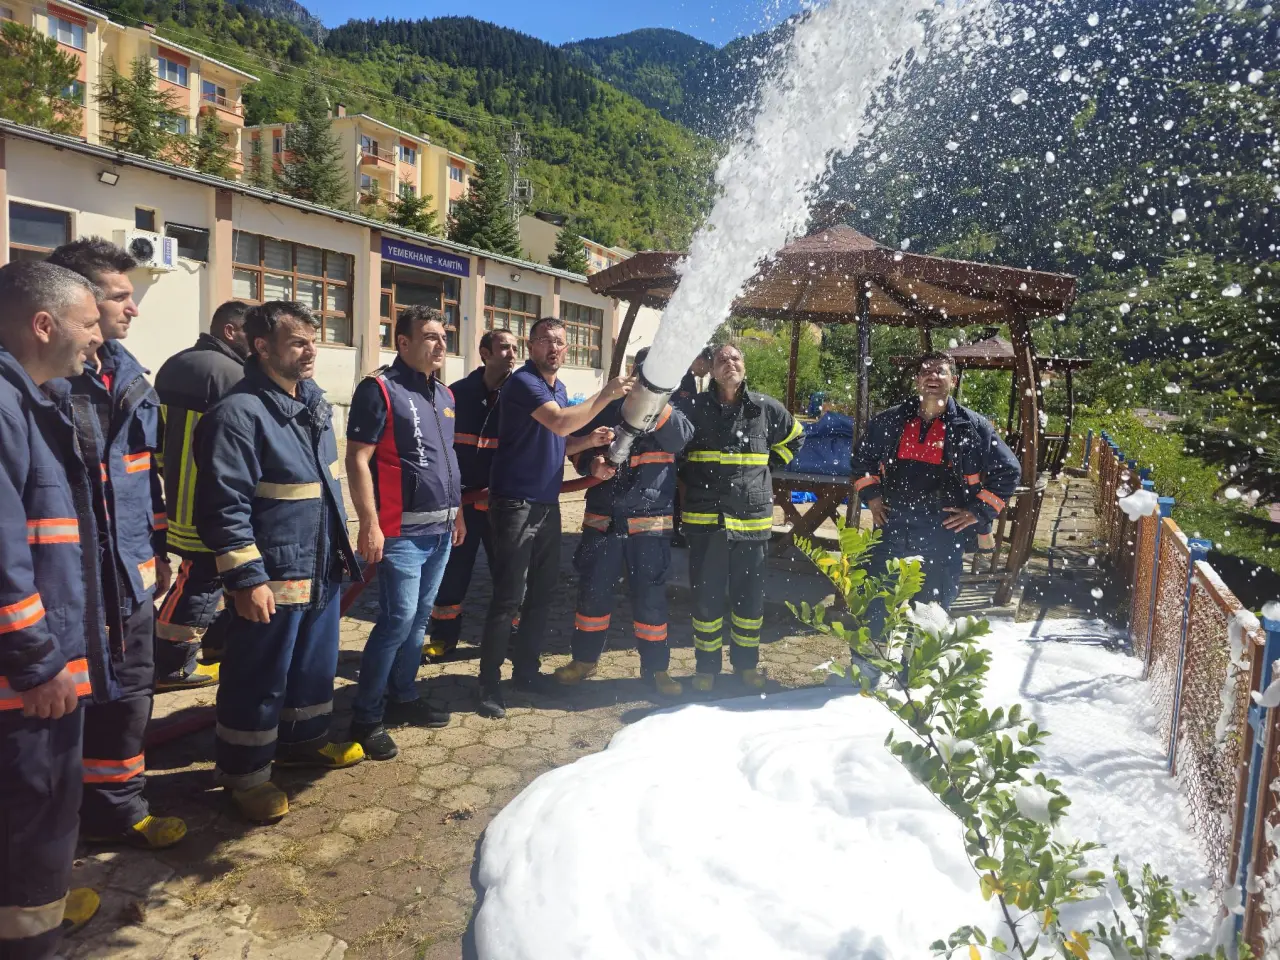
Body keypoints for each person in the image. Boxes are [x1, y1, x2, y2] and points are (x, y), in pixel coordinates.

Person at [195, 301, 364, 823]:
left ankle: (303, 741)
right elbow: (225, 506)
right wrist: (246, 579)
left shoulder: (311, 404)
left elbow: (323, 489)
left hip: (319, 569)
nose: (310, 349)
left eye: (314, 339)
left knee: (314, 669)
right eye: (297, 341)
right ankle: (245, 777)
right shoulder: (239, 414)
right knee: (258, 676)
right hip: (272, 576)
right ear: (261, 346)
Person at [47, 238, 185, 851]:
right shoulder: (39, 382)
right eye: (121, 296)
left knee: (128, 703)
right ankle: (51, 842)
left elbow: (141, 480)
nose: (134, 309)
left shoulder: (127, 373)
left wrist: (158, 553)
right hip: (65, 589)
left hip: (128, 579)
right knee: (55, 720)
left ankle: (118, 814)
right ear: (80, 299)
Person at [0, 261, 109, 959]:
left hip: (36, 665)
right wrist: (40, 665)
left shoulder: (32, 401)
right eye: (89, 323)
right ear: (45, 324)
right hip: (25, 679)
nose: (97, 339)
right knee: (34, 814)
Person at [476, 317, 632, 719]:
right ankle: (488, 685)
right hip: (515, 505)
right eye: (545, 341)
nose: (553, 348)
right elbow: (560, 421)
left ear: (567, 350)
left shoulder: (556, 388)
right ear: (531, 346)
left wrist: (589, 440)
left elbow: (558, 439)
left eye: (560, 343)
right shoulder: (524, 383)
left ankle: (526, 673)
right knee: (510, 596)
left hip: (545, 505)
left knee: (542, 594)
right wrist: (606, 395)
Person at [345, 306, 462, 761]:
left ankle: (404, 694)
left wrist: (459, 514)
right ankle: (366, 715)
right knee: (396, 622)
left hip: (442, 528)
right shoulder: (380, 390)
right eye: (430, 336)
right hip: (400, 534)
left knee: (418, 621)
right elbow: (359, 459)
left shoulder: (445, 395)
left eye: (443, 336)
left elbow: (447, 459)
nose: (440, 344)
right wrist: (369, 524)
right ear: (404, 343)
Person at [555, 348, 694, 696]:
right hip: (603, 520)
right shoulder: (607, 406)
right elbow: (576, 447)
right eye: (643, 373)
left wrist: (655, 404)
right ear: (634, 372)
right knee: (592, 595)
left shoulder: (674, 409)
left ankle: (656, 669)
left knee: (651, 600)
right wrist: (591, 465)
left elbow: (680, 439)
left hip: (649, 525)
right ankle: (584, 660)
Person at [851, 352, 1021, 615]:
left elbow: (1009, 471)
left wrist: (977, 512)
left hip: (942, 531)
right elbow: (862, 460)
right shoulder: (890, 421)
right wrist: (872, 497)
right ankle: (872, 656)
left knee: (930, 612)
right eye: (926, 371)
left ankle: (917, 656)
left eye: (940, 371)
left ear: (952, 380)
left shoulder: (973, 427)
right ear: (918, 380)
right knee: (877, 602)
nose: (933, 376)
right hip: (892, 524)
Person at [679, 343, 804, 691]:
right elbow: (674, 449)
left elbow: (797, 437)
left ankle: (746, 666)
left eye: (735, 358)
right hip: (706, 521)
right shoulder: (693, 409)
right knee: (706, 597)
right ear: (712, 369)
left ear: (744, 366)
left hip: (751, 522)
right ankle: (706, 668)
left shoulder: (764, 408)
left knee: (749, 599)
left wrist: (770, 463)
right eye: (721, 359)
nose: (729, 364)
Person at [152, 300, 251, 692]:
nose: (258, 344)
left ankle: (211, 645)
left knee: (202, 577)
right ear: (230, 331)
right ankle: (172, 666)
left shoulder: (176, 363)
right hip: (210, 503)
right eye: (251, 334)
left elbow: (157, 442)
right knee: (202, 581)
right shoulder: (230, 373)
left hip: (178, 496)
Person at [425, 328, 519, 661]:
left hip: (503, 505)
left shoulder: (520, 396)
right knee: (453, 573)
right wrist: (453, 501)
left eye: (514, 348)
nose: (511, 353)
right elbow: (441, 451)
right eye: (504, 347)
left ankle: (512, 638)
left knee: (509, 574)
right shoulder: (456, 395)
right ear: (484, 353)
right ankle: (443, 637)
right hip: (462, 505)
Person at [671, 345, 713, 548]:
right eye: (708, 365)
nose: (707, 372)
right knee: (675, 489)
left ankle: (678, 527)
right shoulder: (680, 376)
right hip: (673, 442)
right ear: (699, 359)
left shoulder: (688, 377)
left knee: (680, 488)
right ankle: (674, 529)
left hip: (681, 441)